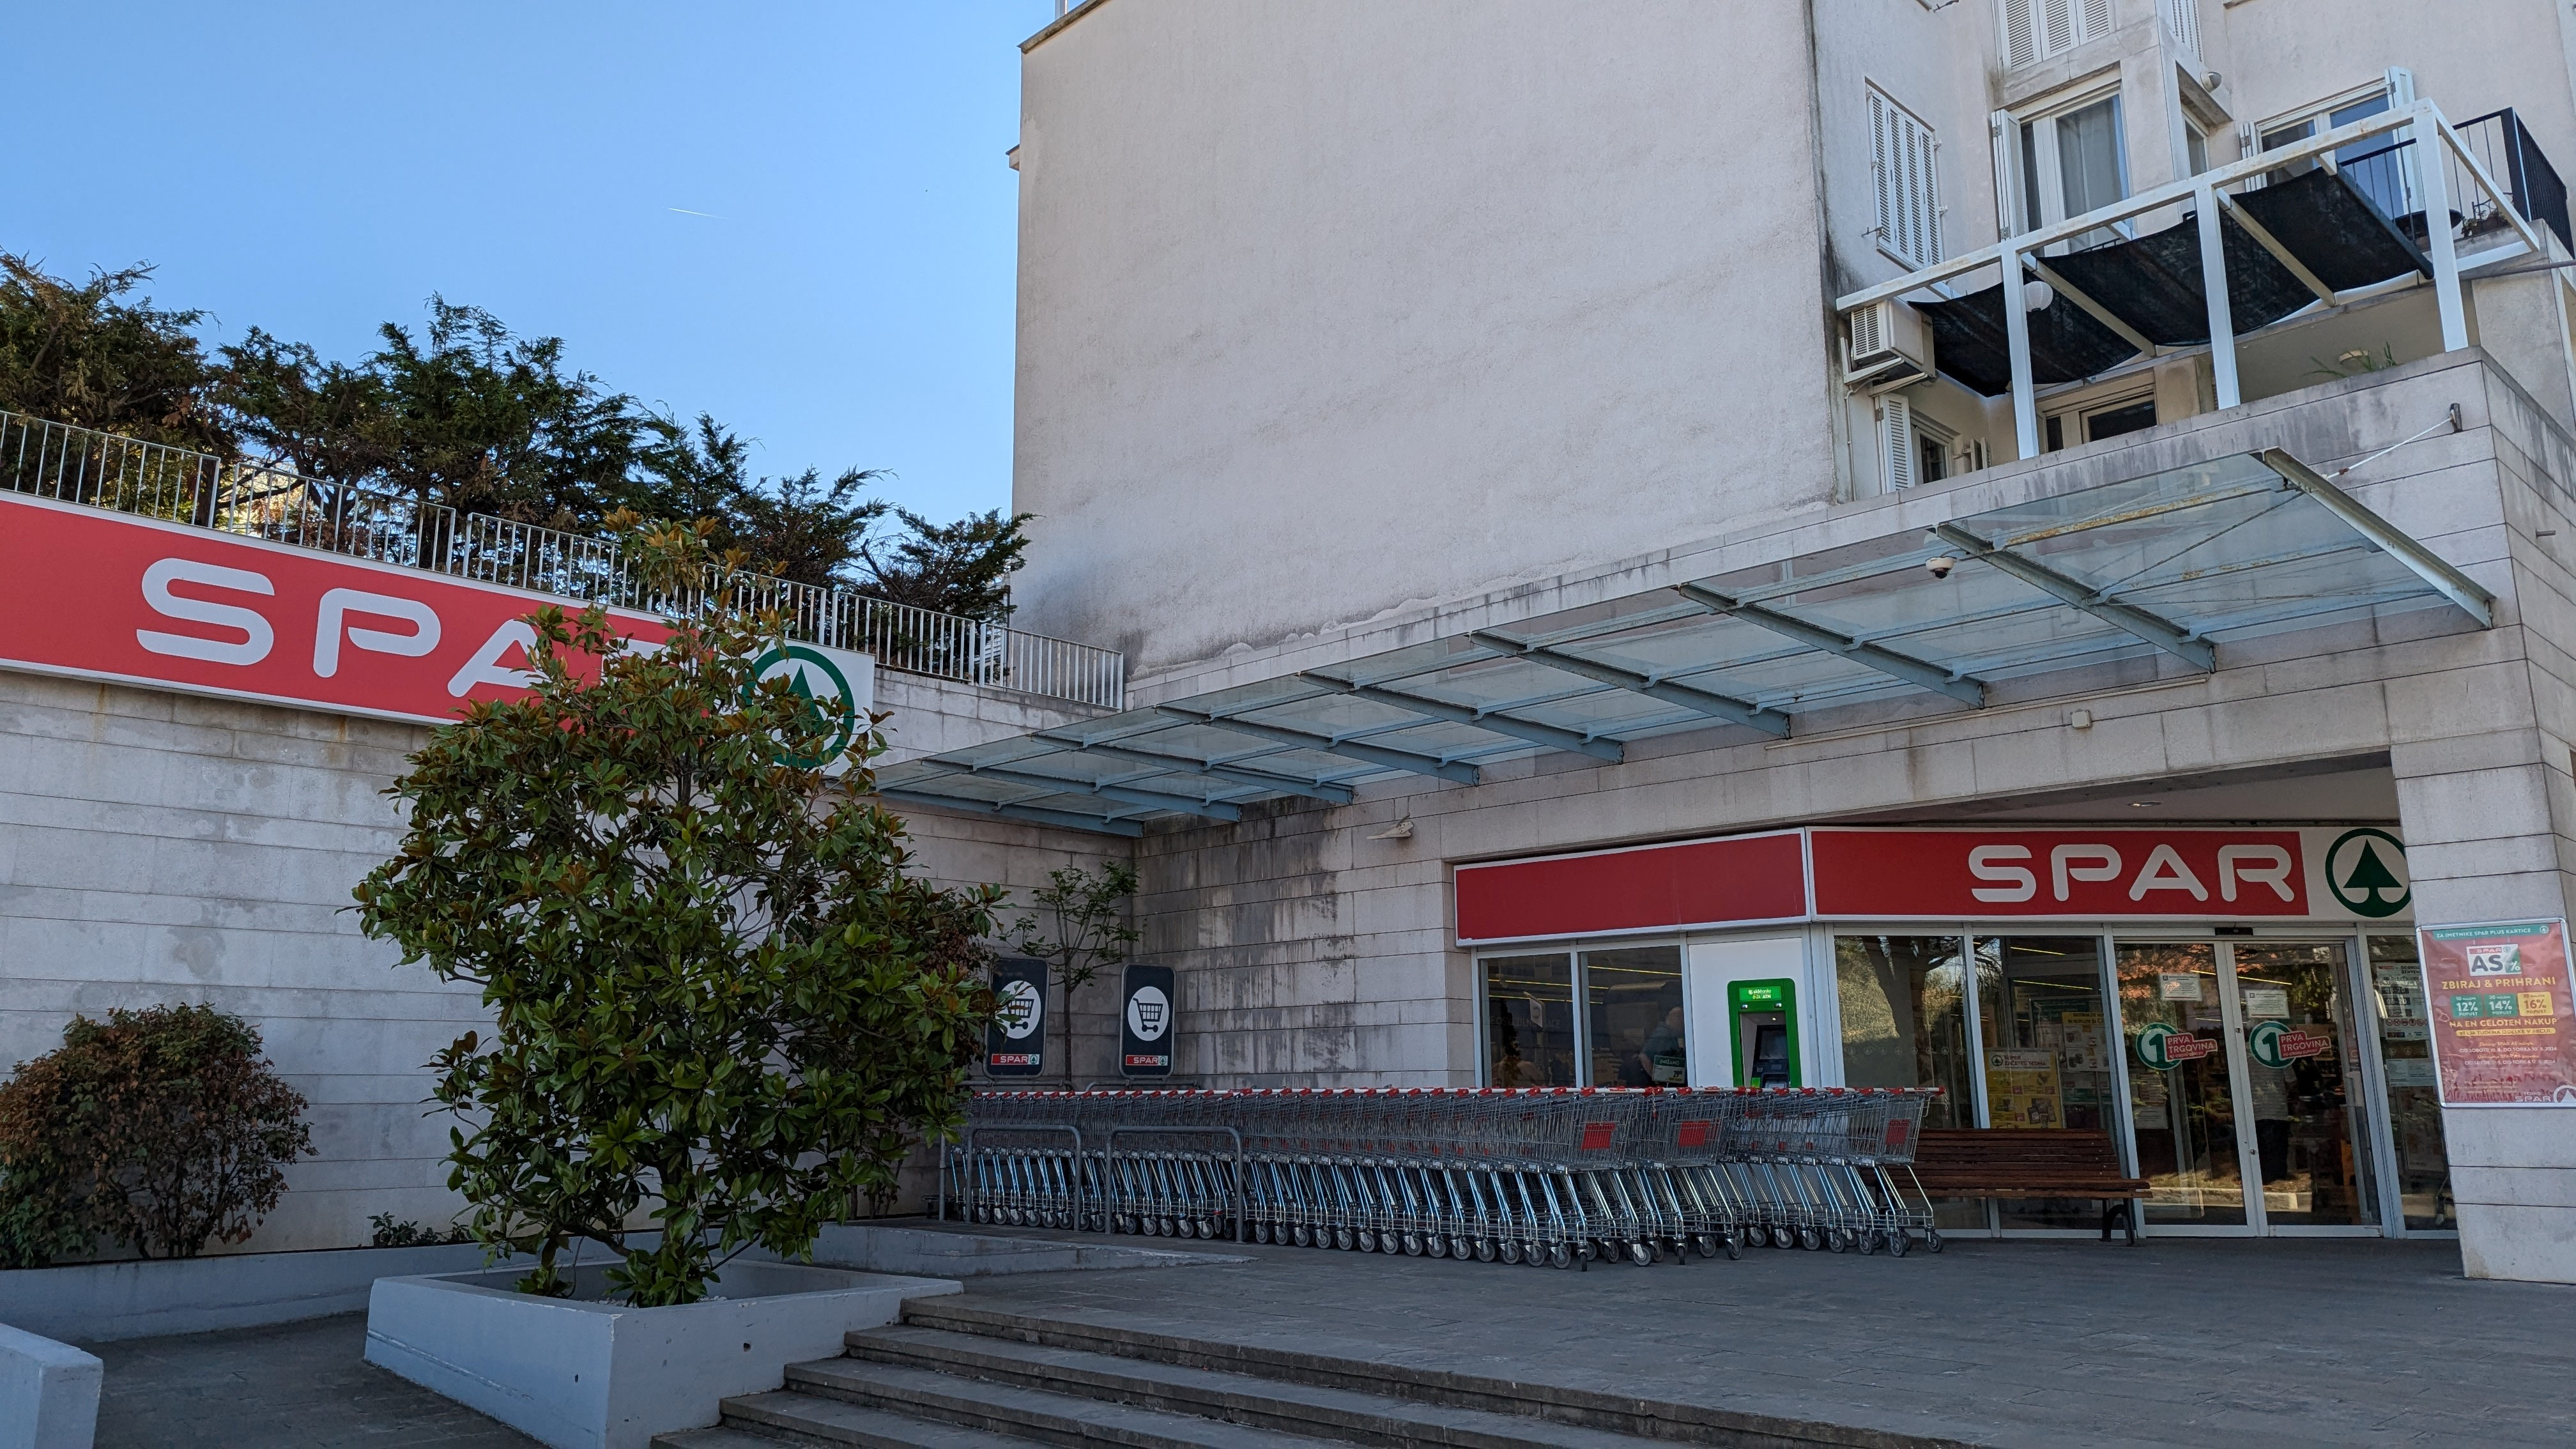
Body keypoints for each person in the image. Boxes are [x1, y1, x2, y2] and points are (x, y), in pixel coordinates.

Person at [1639, 1006, 1687, 1085]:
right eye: (1682, 1021)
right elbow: (1644, 1056)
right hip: (1663, 1086)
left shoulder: (1672, 1035)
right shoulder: (1663, 1034)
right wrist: (1656, 1078)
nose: (1683, 1025)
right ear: (1675, 1019)